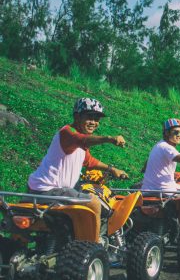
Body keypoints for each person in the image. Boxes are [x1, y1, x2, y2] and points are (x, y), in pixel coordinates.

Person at [27, 98, 128, 240]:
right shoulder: (68, 132)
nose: (93, 122)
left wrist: (112, 169)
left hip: (40, 188)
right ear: (77, 116)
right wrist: (110, 138)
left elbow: (89, 161)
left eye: (96, 119)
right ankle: (93, 246)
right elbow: (83, 140)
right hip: (50, 190)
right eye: (89, 117)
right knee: (94, 203)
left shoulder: (78, 141)